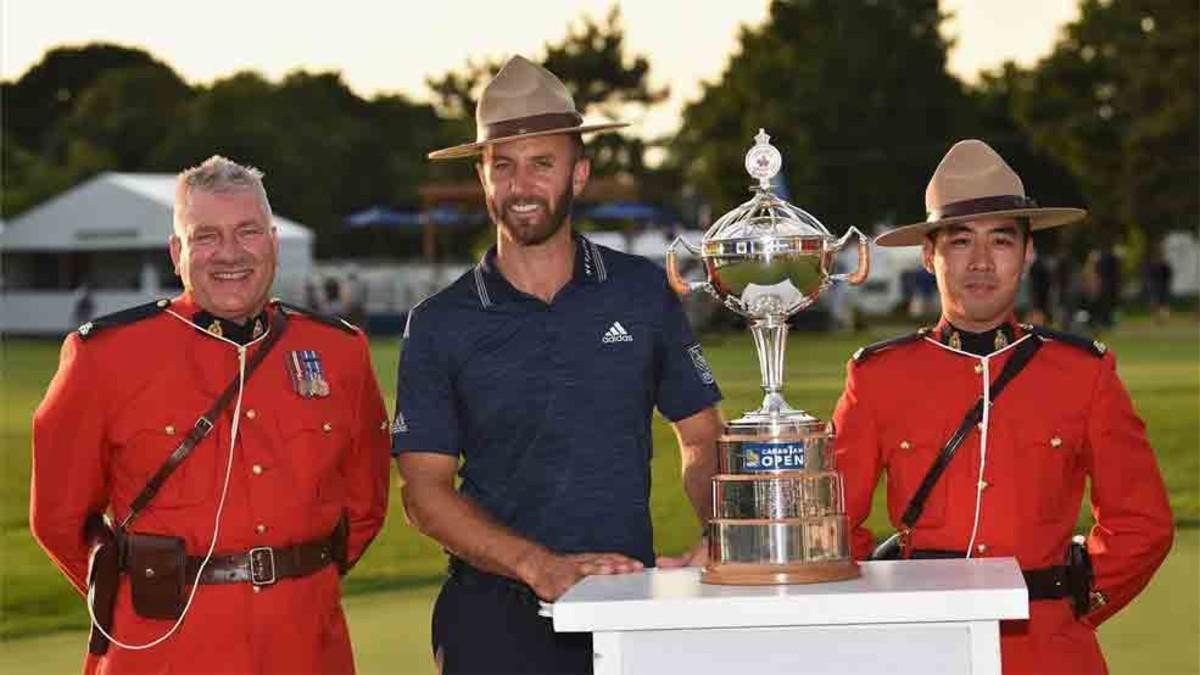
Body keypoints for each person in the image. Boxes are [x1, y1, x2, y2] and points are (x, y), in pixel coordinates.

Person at [392, 55, 723, 675]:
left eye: (542, 163)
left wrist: (720, 530)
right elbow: (424, 492)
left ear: (579, 172)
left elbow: (702, 438)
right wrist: (538, 566)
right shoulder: (439, 322)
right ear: (484, 179)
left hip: (625, 603)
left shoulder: (641, 292)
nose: (521, 186)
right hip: (492, 613)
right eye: (503, 166)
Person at [31, 156, 392, 674]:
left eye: (247, 232)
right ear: (177, 252)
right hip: (164, 645)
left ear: (272, 242)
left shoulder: (339, 351)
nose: (229, 254)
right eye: (205, 236)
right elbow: (59, 519)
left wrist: (293, 582)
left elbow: (364, 505)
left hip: (305, 645)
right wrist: (140, 586)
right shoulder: (104, 356)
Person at [832, 139, 1173, 674]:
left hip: (1049, 650)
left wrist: (1074, 603)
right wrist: (885, 610)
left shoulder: (1084, 374)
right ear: (930, 255)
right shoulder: (878, 378)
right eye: (961, 240)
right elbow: (834, 526)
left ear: (1028, 252)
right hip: (922, 650)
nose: (983, 262)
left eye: (1002, 240)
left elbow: (1142, 522)